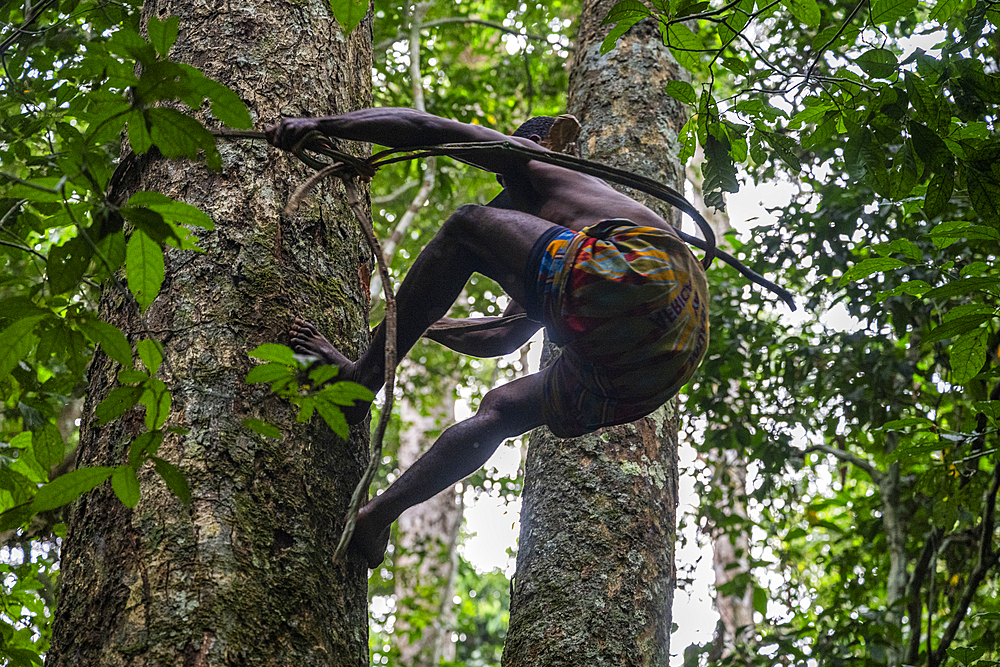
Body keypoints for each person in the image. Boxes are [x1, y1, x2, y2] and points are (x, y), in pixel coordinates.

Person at [265, 108, 709, 567]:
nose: (506, 197)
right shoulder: (569, 244)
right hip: (663, 361)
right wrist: (408, 324)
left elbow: (426, 131)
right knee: (500, 411)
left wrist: (322, 125)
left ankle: (360, 383)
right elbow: (500, 336)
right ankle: (375, 519)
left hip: (650, 273)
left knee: (466, 225)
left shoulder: (542, 166)